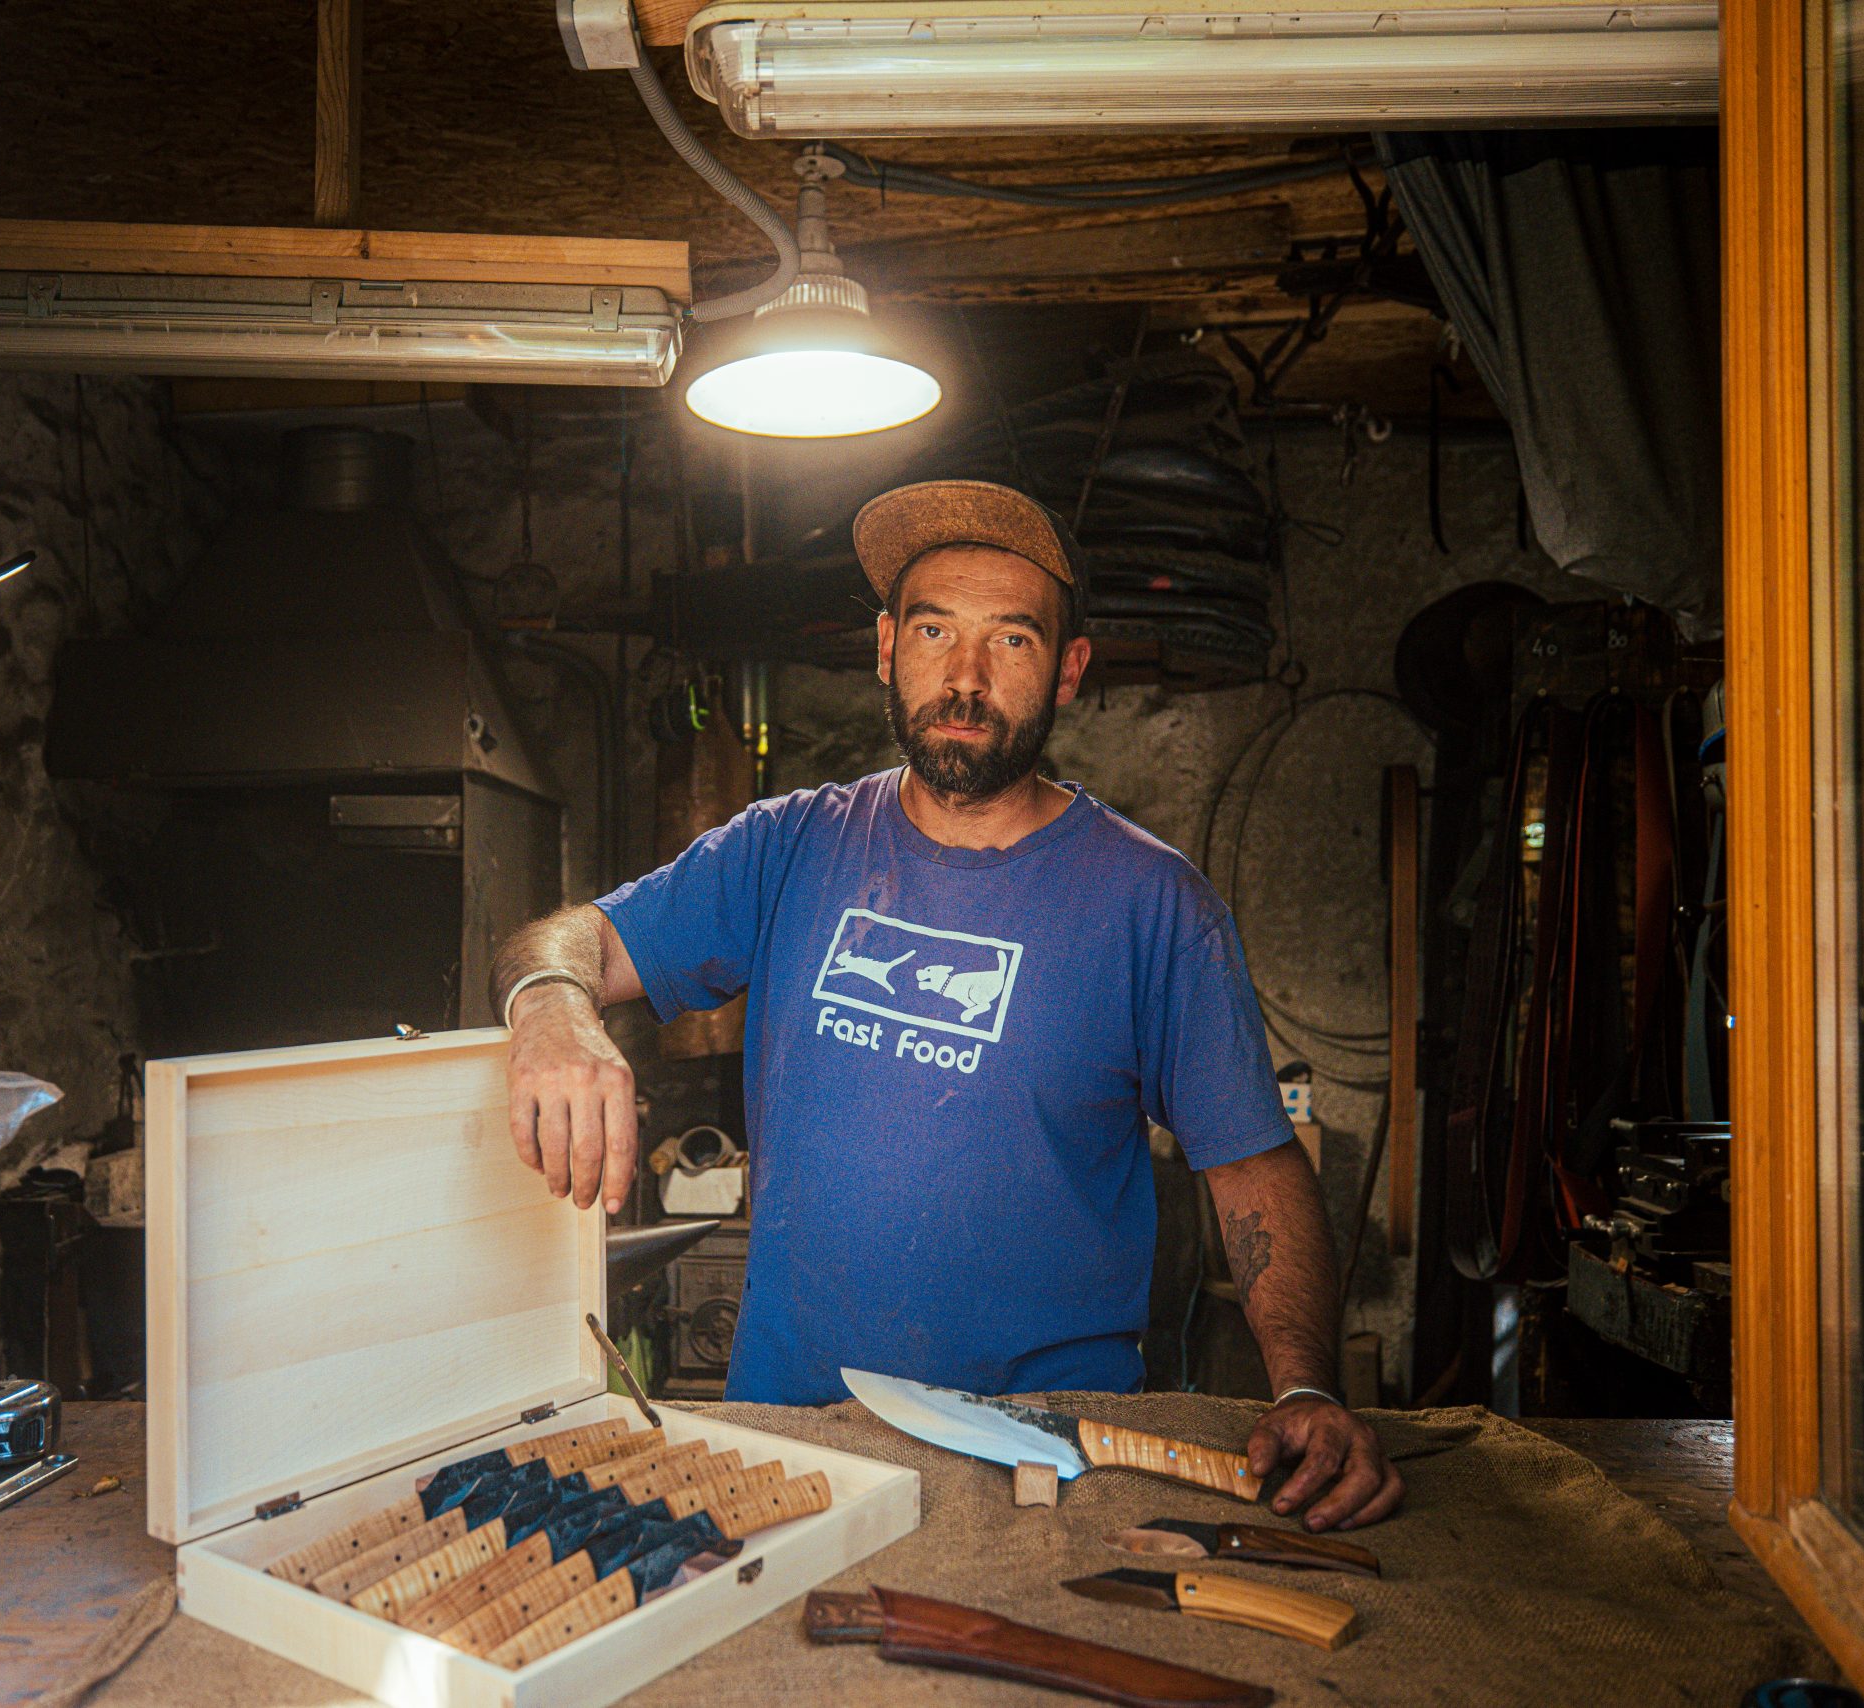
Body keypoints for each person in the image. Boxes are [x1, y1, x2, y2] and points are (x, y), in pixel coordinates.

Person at [490, 480, 1401, 1532]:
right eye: (933, 631)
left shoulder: (1156, 905)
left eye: (1010, 640)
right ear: (887, 648)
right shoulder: (787, 845)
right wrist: (553, 1006)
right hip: (794, 1440)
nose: (965, 678)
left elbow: (1253, 1166)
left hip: (1052, 1462)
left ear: (1068, 669)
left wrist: (1306, 1387)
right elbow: (566, 940)